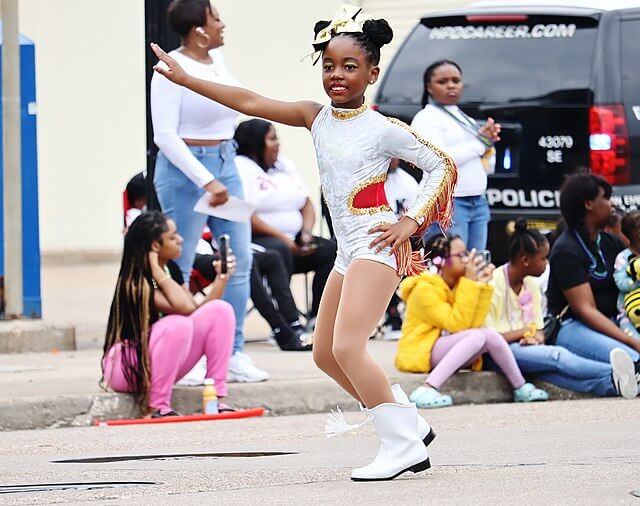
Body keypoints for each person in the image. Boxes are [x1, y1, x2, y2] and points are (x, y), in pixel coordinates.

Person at [152, 3, 455, 481]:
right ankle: (407, 420)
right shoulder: (316, 117)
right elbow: (250, 102)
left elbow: (441, 164)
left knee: (350, 348)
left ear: (372, 73)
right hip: (348, 250)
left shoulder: (381, 128)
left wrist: (410, 222)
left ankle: (403, 446)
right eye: (329, 65)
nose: (337, 75)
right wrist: (187, 81)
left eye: (350, 67)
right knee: (324, 353)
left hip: (377, 245)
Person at [150, 0, 268, 383]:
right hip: (186, 172)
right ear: (199, 30)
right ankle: (183, 353)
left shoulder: (216, 62)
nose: (222, 24)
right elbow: (165, 136)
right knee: (179, 263)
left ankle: (231, 352)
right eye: (215, 18)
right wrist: (206, 180)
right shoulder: (170, 69)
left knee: (237, 261)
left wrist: (223, 175)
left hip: (225, 161)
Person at [101, 211, 236, 417]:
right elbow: (184, 310)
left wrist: (221, 279)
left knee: (220, 311)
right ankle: (157, 406)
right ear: (156, 246)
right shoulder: (137, 283)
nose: (180, 240)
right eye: (172, 237)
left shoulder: (170, 269)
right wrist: (156, 271)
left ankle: (215, 397)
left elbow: (195, 310)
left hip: (158, 362)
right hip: (125, 368)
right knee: (178, 324)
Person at [486, 219, 637, 399]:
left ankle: (612, 384)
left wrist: (535, 337)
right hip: (497, 351)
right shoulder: (492, 284)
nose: (547, 263)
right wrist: (526, 332)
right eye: (543, 258)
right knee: (558, 356)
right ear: (525, 260)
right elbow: (490, 338)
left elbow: (539, 327)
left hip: (525, 346)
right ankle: (629, 371)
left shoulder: (530, 283)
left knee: (549, 375)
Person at [396, 234, 549, 408]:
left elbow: (474, 324)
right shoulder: (424, 290)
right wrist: (470, 283)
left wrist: (482, 286)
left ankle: (521, 388)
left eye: (467, 253)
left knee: (489, 335)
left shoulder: (458, 284)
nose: (468, 260)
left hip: (447, 345)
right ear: (441, 261)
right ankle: (427, 388)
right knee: (477, 337)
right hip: (422, 351)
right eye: (461, 255)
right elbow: (457, 324)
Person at [234, 118, 337, 326]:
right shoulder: (240, 167)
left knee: (331, 250)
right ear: (255, 143)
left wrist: (306, 233)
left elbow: (306, 203)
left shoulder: (284, 165)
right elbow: (246, 214)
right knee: (279, 250)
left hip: (295, 239)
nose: (277, 144)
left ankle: (318, 317)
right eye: (271, 139)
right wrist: (283, 238)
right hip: (260, 239)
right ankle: (286, 322)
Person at [547, 173, 640, 383]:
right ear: (588, 204)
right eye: (605, 198)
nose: (612, 204)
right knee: (633, 359)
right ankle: (614, 382)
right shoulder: (566, 249)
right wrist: (631, 341)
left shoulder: (611, 242)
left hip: (615, 322)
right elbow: (585, 310)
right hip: (573, 326)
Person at [410, 60, 501, 250]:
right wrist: (480, 143)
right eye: (442, 82)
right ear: (429, 87)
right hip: (450, 203)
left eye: (456, 80)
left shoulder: (463, 117)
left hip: (477, 200)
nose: (451, 85)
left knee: (475, 265)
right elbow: (443, 160)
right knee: (452, 266)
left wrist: (489, 141)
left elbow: (485, 161)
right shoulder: (426, 118)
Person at [614, 210, 640, 341]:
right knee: (634, 341)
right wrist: (636, 278)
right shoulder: (623, 258)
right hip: (629, 315)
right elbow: (620, 283)